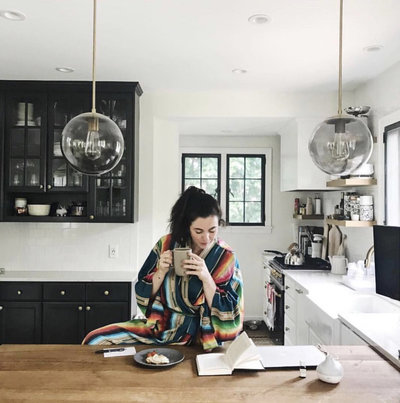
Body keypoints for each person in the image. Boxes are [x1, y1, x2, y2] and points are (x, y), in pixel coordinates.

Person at [82, 186, 244, 350]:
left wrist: (207, 278)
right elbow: (142, 292)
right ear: (187, 226)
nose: (206, 237)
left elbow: (231, 318)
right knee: (95, 340)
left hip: (202, 336)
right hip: (161, 329)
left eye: (212, 230)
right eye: (198, 231)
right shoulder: (166, 244)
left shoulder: (226, 257)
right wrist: (160, 272)